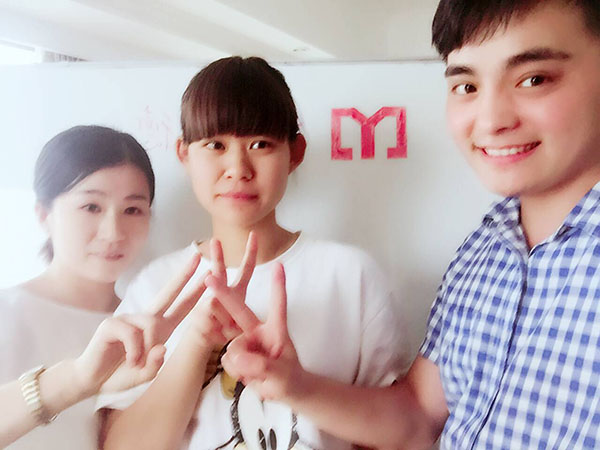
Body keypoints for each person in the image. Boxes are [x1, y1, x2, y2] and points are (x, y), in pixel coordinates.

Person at [219, 1, 600, 449]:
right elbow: (420, 415)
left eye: (534, 79)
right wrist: (293, 385)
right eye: (467, 85)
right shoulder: (487, 246)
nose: (491, 120)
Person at [97, 56, 407, 450]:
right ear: (184, 154)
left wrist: (297, 385)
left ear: (295, 152)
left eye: (260, 144)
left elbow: (398, 434)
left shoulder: (351, 275)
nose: (238, 168)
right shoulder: (156, 285)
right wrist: (197, 343)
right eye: (215, 145)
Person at [0, 126, 207, 449]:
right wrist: (76, 380)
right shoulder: (7, 312)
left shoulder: (156, 329)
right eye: (91, 207)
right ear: (44, 214)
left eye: (132, 210)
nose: (113, 232)